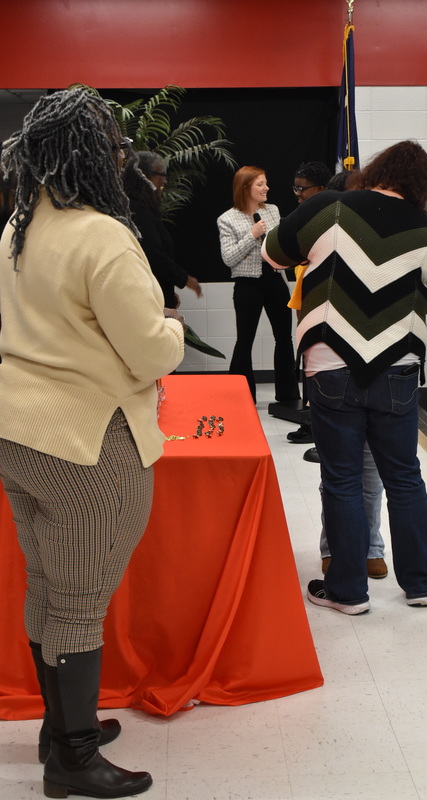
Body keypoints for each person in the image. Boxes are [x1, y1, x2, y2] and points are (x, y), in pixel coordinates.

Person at [0, 89, 185, 798]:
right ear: (94, 156)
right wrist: (172, 330)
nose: (119, 159)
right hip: (88, 441)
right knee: (79, 600)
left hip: (19, 432)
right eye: (112, 147)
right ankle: (72, 758)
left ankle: (60, 722)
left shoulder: (19, 226)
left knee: (49, 585)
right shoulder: (103, 234)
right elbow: (149, 350)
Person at [263, 140, 427, 614]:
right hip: (400, 367)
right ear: (421, 185)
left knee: (342, 478)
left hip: (331, 363)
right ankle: (421, 583)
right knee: (405, 476)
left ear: (375, 170)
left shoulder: (329, 206)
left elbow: (274, 253)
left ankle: (348, 592)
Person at [287, 168, 388, 580]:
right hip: (331, 367)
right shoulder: (319, 244)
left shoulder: (383, 239)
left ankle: (372, 546)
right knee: (339, 472)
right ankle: (335, 549)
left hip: (379, 364)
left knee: (370, 469)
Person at [217, 165, 300, 403]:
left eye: (266, 183)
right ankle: (240, 397)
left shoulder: (272, 210)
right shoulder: (227, 219)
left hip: (275, 279)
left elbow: (280, 244)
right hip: (247, 285)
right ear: (245, 188)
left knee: (284, 338)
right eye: (260, 184)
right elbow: (228, 258)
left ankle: (287, 395)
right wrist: (251, 235)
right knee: (245, 340)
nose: (267, 188)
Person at [122, 150, 202, 318]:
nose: (165, 180)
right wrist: (186, 280)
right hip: (148, 304)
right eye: (162, 175)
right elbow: (155, 257)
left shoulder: (135, 209)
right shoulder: (138, 212)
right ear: (145, 176)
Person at [286, 162, 332, 444]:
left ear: (322, 190)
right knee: (307, 361)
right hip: (304, 298)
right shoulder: (303, 217)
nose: (297, 194)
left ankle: (319, 428)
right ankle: (310, 420)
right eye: (295, 188)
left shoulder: (332, 220)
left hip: (322, 305)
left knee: (320, 366)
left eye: (303, 189)